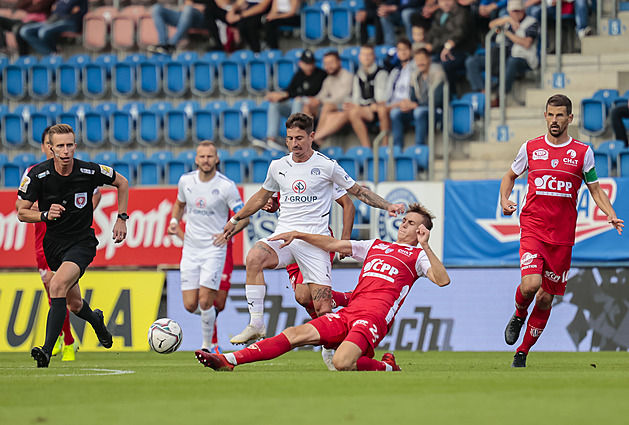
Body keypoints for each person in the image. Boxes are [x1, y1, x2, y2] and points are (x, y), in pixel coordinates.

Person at [196, 203, 451, 371]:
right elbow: (333, 245)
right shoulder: (375, 245)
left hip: (373, 319)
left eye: (410, 222)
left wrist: (425, 245)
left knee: (341, 363)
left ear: (421, 230)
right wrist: (298, 234)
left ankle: (386, 368)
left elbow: (442, 280)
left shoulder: (418, 257)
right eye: (404, 220)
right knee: (295, 334)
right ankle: (228, 360)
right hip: (348, 313)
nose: (403, 224)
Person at [222, 113, 406, 346]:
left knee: (322, 307)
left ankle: (332, 352)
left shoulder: (327, 166)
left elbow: (357, 192)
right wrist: (236, 219)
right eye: (290, 138)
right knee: (255, 256)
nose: (294, 144)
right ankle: (256, 324)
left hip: (316, 242)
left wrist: (387, 205)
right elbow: (261, 197)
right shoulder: (277, 166)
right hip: (285, 237)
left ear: (311, 137)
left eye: (299, 138)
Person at [500, 94, 624, 368]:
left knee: (546, 297)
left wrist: (610, 213)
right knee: (531, 285)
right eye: (550, 115)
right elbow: (509, 176)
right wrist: (504, 199)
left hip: (563, 236)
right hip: (533, 226)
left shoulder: (583, 152)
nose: (554, 120)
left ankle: (522, 352)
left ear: (570, 118)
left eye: (560, 116)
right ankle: (520, 313)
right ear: (545, 116)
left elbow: (594, 188)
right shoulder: (531, 148)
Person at [16, 124, 129, 368]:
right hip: (53, 246)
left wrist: (122, 217)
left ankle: (46, 351)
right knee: (74, 304)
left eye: (69, 145)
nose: (65, 150)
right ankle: (96, 321)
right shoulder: (37, 175)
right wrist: (45, 215)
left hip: (82, 243)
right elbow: (21, 212)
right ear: (51, 148)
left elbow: (122, 182)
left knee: (56, 285)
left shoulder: (89, 171)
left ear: (75, 146)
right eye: (60, 146)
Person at [167, 141, 249, 352]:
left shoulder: (226, 186)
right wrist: (175, 222)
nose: (206, 160)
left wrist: (227, 233)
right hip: (191, 250)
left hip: (214, 249)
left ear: (217, 159)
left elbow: (244, 218)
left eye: (210, 156)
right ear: (196, 159)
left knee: (205, 301)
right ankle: (209, 327)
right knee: (190, 305)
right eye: (202, 156)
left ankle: (207, 346)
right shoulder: (186, 181)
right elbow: (179, 204)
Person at [314, 44, 389, 148]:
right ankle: (316, 140)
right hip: (362, 108)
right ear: (360, 57)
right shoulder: (358, 74)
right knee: (335, 113)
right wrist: (353, 104)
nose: (366, 57)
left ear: (374, 57)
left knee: (351, 112)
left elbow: (381, 99)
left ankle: (367, 147)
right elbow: (356, 99)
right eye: (364, 55)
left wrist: (359, 106)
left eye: (369, 55)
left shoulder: (380, 73)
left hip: (374, 109)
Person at [252, 49, 327, 151]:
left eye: (311, 63)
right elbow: (289, 91)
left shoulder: (321, 74)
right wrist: (279, 96)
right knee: (275, 105)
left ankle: (292, 136)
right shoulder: (299, 75)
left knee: (298, 100)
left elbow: (311, 91)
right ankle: (271, 138)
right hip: (299, 106)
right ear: (301, 63)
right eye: (306, 63)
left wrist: (285, 95)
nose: (309, 66)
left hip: (314, 106)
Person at [465, 0, 539, 97]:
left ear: (523, 10)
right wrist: (508, 20)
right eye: (513, 11)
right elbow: (492, 26)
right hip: (500, 56)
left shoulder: (531, 22)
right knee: (472, 62)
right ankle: (482, 94)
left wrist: (508, 33)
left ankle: (500, 94)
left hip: (522, 58)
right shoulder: (505, 21)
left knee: (512, 61)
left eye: (518, 11)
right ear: (509, 11)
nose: (515, 14)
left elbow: (527, 43)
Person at [390, 47, 445, 148]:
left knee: (418, 111)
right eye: (417, 60)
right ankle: (397, 147)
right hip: (419, 108)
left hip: (436, 110)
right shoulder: (415, 75)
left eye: (423, 60)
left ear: (429, 59)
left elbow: (436, 101)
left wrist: (415, 105)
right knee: (395, 113)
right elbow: (413, 98)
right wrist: (409, 105)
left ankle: (419, 147)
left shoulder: (438, 73)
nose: (420, 63)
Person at [424, 0, 475, 95]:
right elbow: (433, 33)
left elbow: (459, 34)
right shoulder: (439, 14)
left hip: (462, 51)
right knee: (426, 62)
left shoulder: (462, 13)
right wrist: (429, 45)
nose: (445, 3)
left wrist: (446, 45)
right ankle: (429, 96)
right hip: (441, 50)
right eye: (442, 1)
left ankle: (450, 94)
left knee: (445, 64)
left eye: (448, 0)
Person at [307, 51, 354, 148]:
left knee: (328, 105)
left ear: (339, 62)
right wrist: (314, 100)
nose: (328, 66)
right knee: (309, 104)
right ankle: (308, 137)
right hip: (332, 112)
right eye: (326, 63)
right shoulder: (329, 79)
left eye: (331, 62)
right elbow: (320, 96)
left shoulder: (348, 77)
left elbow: (341, 97)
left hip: (347, 110)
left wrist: (322, 101)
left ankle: (313, 140)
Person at [19, 0, 88, 55]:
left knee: (43, 32)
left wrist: (61, 10)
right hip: (54, 20)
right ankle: (50, 54)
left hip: (70, 22)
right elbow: (56, 10)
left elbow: (77, 12)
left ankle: (53, 55)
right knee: (25, 31)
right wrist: (62, 10)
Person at [203, 0, 272, 52]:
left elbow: (262, 7)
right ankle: (218, 45)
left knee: (248, 23)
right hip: (241, 14)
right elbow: (239, 2)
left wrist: (240, 16)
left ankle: (256, 50)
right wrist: (232, 12)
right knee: (210, 10)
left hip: (255, 14)